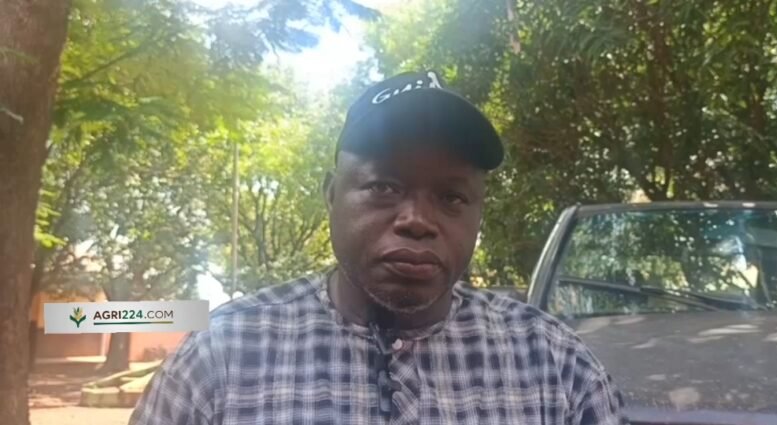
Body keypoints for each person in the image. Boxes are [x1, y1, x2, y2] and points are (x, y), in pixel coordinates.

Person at [130, 70, 626, 424]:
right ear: (332, 195)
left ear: (478, 213)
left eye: (451, 197)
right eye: (384, 186)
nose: (417, 220)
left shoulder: (553, 363)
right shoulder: (223, 356)